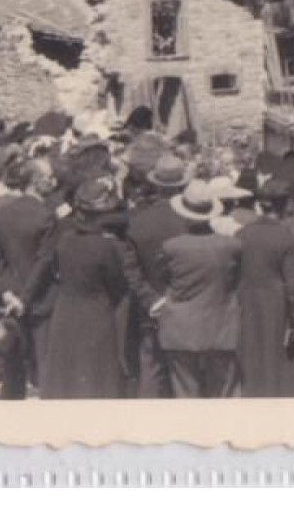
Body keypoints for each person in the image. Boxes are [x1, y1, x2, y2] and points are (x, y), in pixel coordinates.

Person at [23, 179, 131, 399]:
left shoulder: (65, 241)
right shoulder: (109, 247)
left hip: (65, 312)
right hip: (97, 314)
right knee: (96, 376)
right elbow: (118, 285)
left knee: (66, 376)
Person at [153, 179, 244, 398]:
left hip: (181, 328)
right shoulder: (231, 246)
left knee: (185, 393)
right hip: (221, 326)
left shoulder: (171, 247)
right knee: (222, 394)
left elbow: (162, 279)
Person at [0, 156, 58, 399]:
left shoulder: (0, 212)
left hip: (9, 300)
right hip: (40, 300)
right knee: (45, 364)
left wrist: (7, 291)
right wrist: (24, 298)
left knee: (12, 365)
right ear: (36, 182)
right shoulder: (47, 216)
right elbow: (44, 262)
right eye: (49, 178)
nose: (53, 182)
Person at [122, 153, 193, 398]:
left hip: (151, 308)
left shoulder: (139, 221)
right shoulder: (192, 220)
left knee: (151, 372)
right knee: (186, 376)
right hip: (187, 304)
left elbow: (130, 269)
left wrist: (152, 299)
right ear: (183, 184)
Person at [236, 177, 294, 398]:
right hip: (275, 303)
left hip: (246, 300)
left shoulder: (242, 234)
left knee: (251, 356)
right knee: (275, 361)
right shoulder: (286, 238)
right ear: (285, 204)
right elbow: (293, 285)